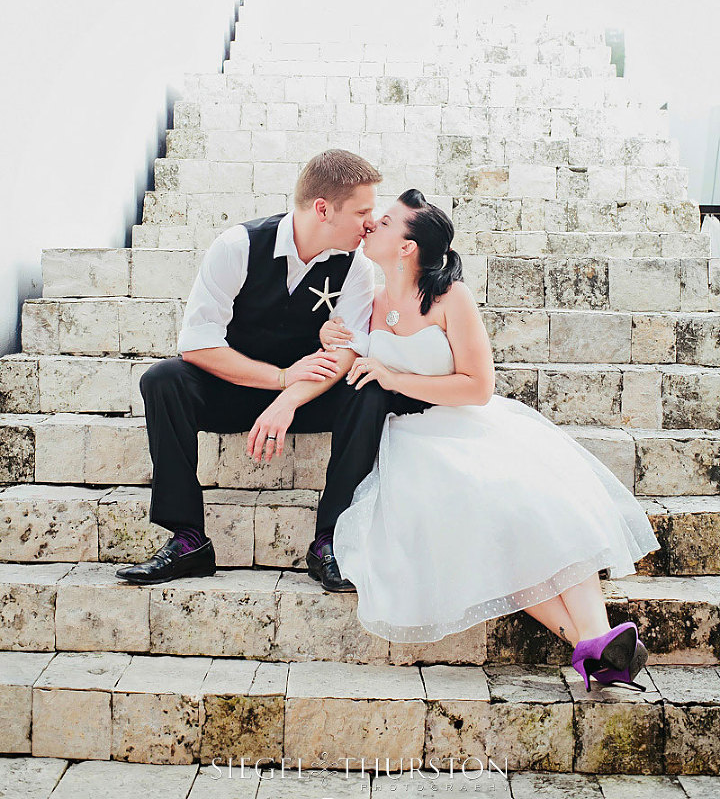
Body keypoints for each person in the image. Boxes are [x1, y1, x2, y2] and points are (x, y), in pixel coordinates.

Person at [319, 188, 661, 692]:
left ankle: (594, 639)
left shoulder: (449, 297)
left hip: (464, 422)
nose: (373, 225)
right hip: (409, 438)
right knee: (485, 523)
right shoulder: (369, 298)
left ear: (409, 246)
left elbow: (478, 388)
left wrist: (395, 378)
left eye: (387, 221)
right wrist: (334, 340)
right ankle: (595, 644)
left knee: (539, 503)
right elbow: (354, 359)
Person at [116, 150, 435, 591]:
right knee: (162, 380)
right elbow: (197, 343)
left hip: (307, 398)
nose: (370, 221)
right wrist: (279, 379)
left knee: (370, 389)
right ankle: (188, 538)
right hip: (236, 389)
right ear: (323, 209)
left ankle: (331, 541)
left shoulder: (357, 268)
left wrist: (289, 397)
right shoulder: (238, 246)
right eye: (362, 211)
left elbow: (346, 353)